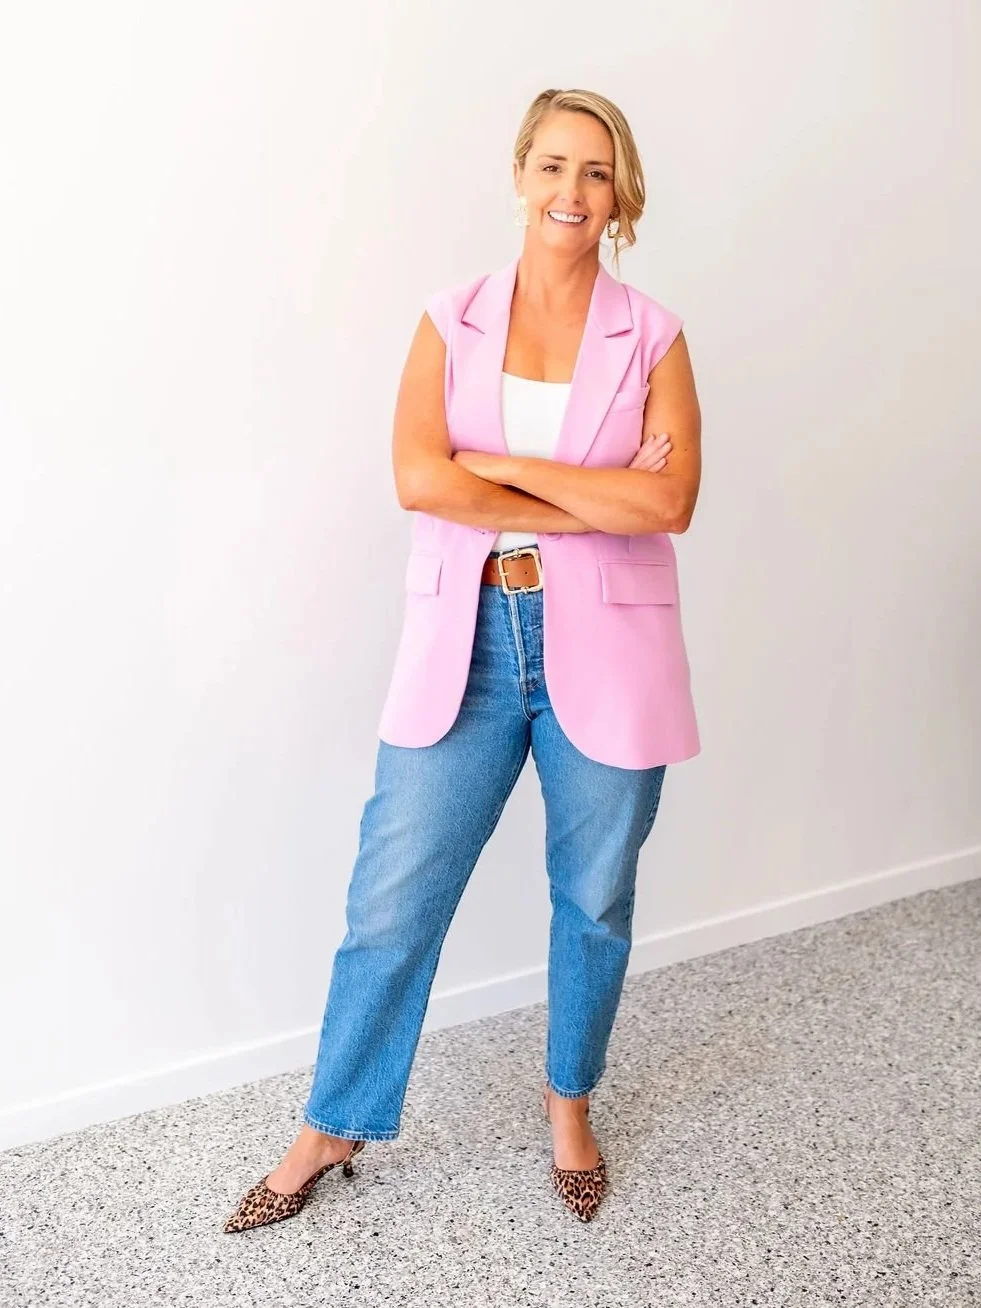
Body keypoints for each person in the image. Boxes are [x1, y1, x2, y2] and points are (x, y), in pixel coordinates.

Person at [224, 85, 701, 1233]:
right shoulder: (453, 319)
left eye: (595, 171)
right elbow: (419, 479)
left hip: (614, 647)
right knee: (391, 896)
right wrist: (594, 489)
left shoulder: (657, 335)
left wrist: (502, 467)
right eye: (551, 166)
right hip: (470, 639)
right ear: (519, 177)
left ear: (621, 192)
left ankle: (569, 1102)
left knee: (593, 899)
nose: (571, 191)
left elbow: (672, 498)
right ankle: (333, 1121)